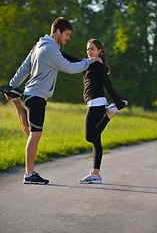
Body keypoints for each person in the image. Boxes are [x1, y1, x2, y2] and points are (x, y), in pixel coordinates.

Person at [0, 17, 102, 185]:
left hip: (33, 94)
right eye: (67, 34)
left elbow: (25, 67)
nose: (68, 38)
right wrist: (89, 61)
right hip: (37, 95)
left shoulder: (38, 46)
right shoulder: (50, 49)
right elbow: (69, 67)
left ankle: (16, 99)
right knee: (34, 135)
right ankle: (29, 174)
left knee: (31, 132)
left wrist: (12, 85)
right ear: (57, 31)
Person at [62, 39, 128, 184]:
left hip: (97, 104)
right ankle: (95, 174)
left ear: (100, 51)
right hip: (95, 103)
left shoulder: (97, 66)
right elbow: (73, 59)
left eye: (92, 49)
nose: (89, 51)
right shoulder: (89, 64)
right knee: (96, 141)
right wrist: (55, 50)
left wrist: (119, 103)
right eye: (87, 49)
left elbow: (107, 85)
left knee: (90, 137)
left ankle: (109, 115)